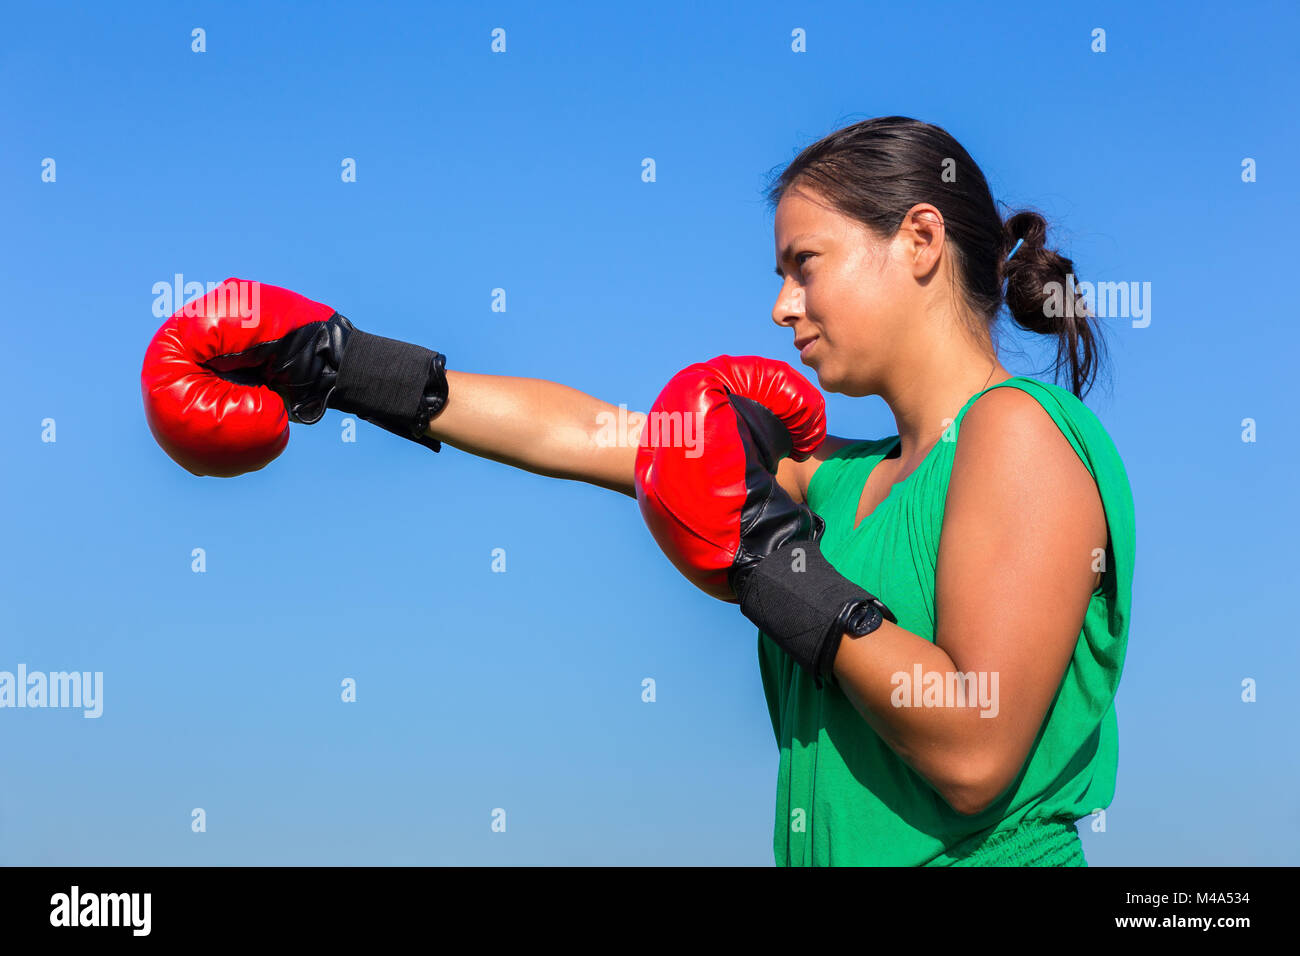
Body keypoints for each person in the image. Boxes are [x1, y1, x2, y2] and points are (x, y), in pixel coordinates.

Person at [142, 115, 1135, 867]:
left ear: (917, 240)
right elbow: (583, 431)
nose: (781, 303)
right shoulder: (833, 479)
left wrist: (770, 562)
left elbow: (973, 751)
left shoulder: (1016, 433)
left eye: (805, 264)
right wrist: (335, 360)